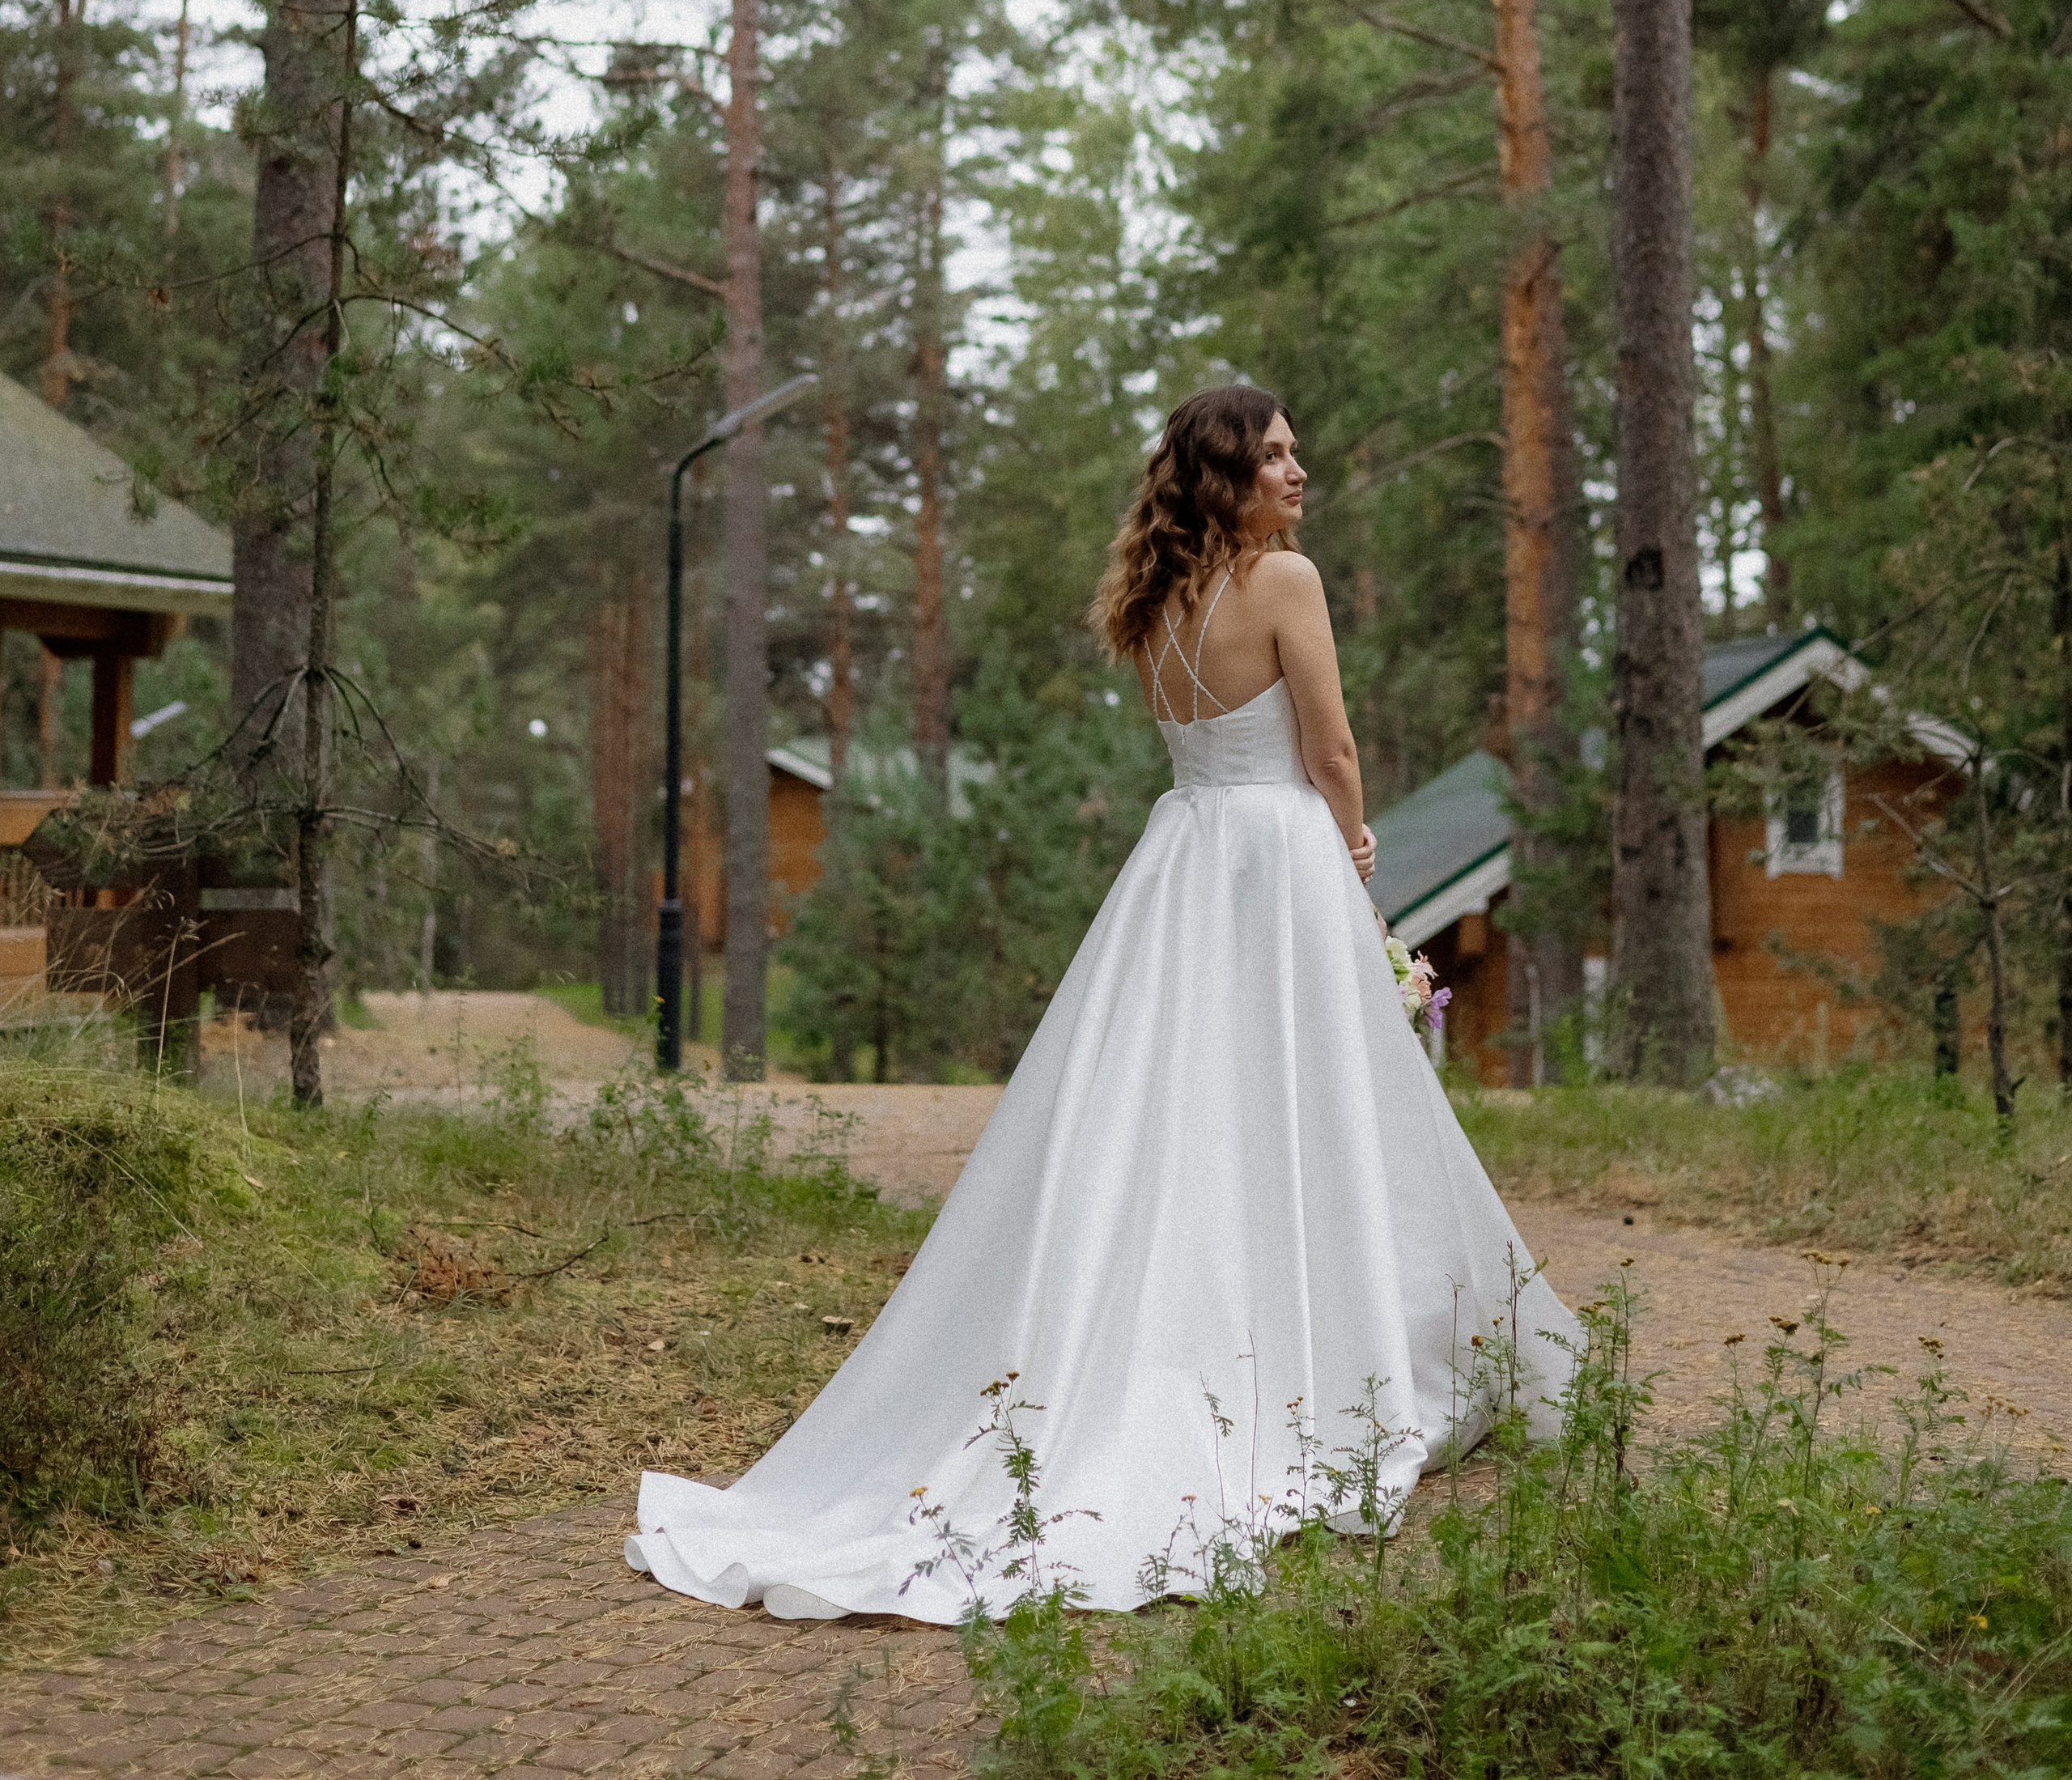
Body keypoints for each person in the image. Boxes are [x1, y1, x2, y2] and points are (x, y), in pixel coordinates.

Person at [628, 384, 1577, 1623]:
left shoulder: (1158, 600)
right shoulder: (1285, 581)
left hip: (1185, 857)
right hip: (1279, 857)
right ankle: (1322, 1359)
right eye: (1275, 455)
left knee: (1181, 1120)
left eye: (1296, 450)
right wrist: (1354, 847)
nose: (1298, 470)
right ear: (1226, 475)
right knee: (1306, 1107)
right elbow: (1331, 748)